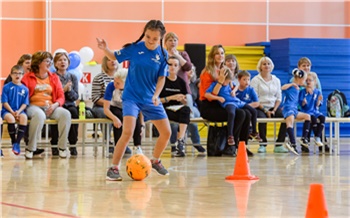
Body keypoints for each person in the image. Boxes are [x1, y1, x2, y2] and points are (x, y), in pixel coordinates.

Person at [97, 19, 171, 181]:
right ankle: (114, 168)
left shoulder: (163, 55)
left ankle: (156, 160)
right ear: (144, 34)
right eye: (148, 37)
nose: (151, 41)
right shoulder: (134, 48)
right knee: (128, 131)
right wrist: (105, 49)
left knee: (166, 132)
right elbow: (114, 56)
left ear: (161, 39)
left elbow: (161, 78)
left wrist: (156, 95)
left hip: (150, 98)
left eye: (155, 39)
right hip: (131, 98)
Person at [199, 45, 253, 156]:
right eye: (217, 53)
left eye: (222, 53)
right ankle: (231, 145)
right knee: (240, 114)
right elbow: (210, 94)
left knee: (247, 113)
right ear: (212, 56)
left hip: (221, 103)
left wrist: (233, 89)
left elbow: (231, 89)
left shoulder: (224, 70)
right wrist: (220, 81)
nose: (220, 56)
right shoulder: (207, 72)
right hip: (209, 104)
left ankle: (242, 146)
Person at [21, 51, 71, 159]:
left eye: (50, 61)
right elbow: (23, 95)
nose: (49, 64)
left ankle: (62, 147)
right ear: (39, 63)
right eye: (47, 61)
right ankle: (31, 148)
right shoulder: (27, 77)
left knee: (66, 114)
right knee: (39, 116)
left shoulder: (53, 77)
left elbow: (61, 96)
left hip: (51, 106)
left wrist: (55, 105)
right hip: (33, 106)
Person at [91, 56, 130, 154]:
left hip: (118, 105)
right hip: (100, 106)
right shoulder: (99, 78)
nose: (112, 61)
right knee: (107, 114)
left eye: (114, 59)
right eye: (109, 60)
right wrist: (109, 103)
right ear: (105, 63)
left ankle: (122, 143)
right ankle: (107, 141)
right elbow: (95, 98)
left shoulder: (123, 76)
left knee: (123, 114)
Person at [250, 57, 289, 154]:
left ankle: (279, 144)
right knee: (262, 119)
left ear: (271, 66)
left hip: (273, 106)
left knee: (286, 116)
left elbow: (279, 97)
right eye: (264, 64)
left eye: (268, 64)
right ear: (260, 67)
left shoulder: (276, 80)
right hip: (260, 106)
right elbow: (255, 98)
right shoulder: (255, 80)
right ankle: (263, 144)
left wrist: (274, 110)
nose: (266, 65)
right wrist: (265, 110)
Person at [103, 68, 144, 155]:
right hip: (114, 109)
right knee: (119, 118)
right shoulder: (111, 87)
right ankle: (119, 146)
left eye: (118, 83)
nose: (115, 84)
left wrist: (142, 124)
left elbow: (139, 108)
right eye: (114, 81)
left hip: (128, 108)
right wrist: (114, 119)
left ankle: (137, 146)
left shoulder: (133, 88)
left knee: (135, 119)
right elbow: (106, 108)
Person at [205, 67, 247, 146]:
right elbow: (208, 94)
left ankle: (242, 142)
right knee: (233, 114)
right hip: (225, 104)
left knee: (246, 113)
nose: (226, 83)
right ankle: (230, 136)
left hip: (235, 102)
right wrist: (218, 98)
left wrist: (232, 88)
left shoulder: (229, 84)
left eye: (228, 82)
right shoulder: (216, 84)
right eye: (226, 82)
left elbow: (236, 86)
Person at [51, 52, 79, 156]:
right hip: (57, 104)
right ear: (55, 64)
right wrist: (64, 89)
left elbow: (75, 96)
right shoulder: (53, 77)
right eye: (59, 60)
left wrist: (69, 90)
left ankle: (73, 144)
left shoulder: (73, 77)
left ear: (68, 62)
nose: (62, 62)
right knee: (57, 116)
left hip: (70, 104)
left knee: (73, 113)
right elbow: (53, 95)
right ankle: (54, 144)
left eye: (65, 60)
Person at [281, 69, 311, 155]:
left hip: (294, 109)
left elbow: (304, 86)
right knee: (290, 123)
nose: (305, 81)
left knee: (307, 116)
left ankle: (304, 138)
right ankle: (292, 143)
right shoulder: (291, 86)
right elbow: (282, 88)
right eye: (304, 79)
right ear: (299, 79)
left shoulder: (298, 87)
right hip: (288, 108)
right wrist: (292, 84)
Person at [1, 65, 29, 155]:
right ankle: (13, 141)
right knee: (11, 119)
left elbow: (25, 103)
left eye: (20, 73)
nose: (18, 75)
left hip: (19, 111)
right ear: (11, 74)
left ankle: (17, 143)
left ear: (23, 75)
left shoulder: (25, 89)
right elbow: (4, 102)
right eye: (15, 73)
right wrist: (12, 112)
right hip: (7, 111)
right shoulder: (6, 87)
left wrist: (19, 111)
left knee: (24, 118)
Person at [298, 72, 325, 149]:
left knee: (322, 118)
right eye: (307, 80)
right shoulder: (303, 92)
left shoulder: (317, 92)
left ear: (315, 82)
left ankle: (317, 136)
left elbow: (317, 105)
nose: (308, 82)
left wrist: (318, 102)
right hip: (307, 111)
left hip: (315, 111)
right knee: (312, 118)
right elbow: (302, 105)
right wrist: (303, 103)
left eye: (310, 80)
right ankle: (310, 138)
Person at [235, 70, 261, 141]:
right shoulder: (235, 90)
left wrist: (246, 105)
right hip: (238, 109)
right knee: (246, 113)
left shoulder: (251, 89)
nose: (247, 82)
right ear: (239, 80)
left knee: (253, 112)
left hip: (246, 108)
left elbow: (257, 103)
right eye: (244, 79)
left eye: (248, 79)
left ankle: (254, 131)